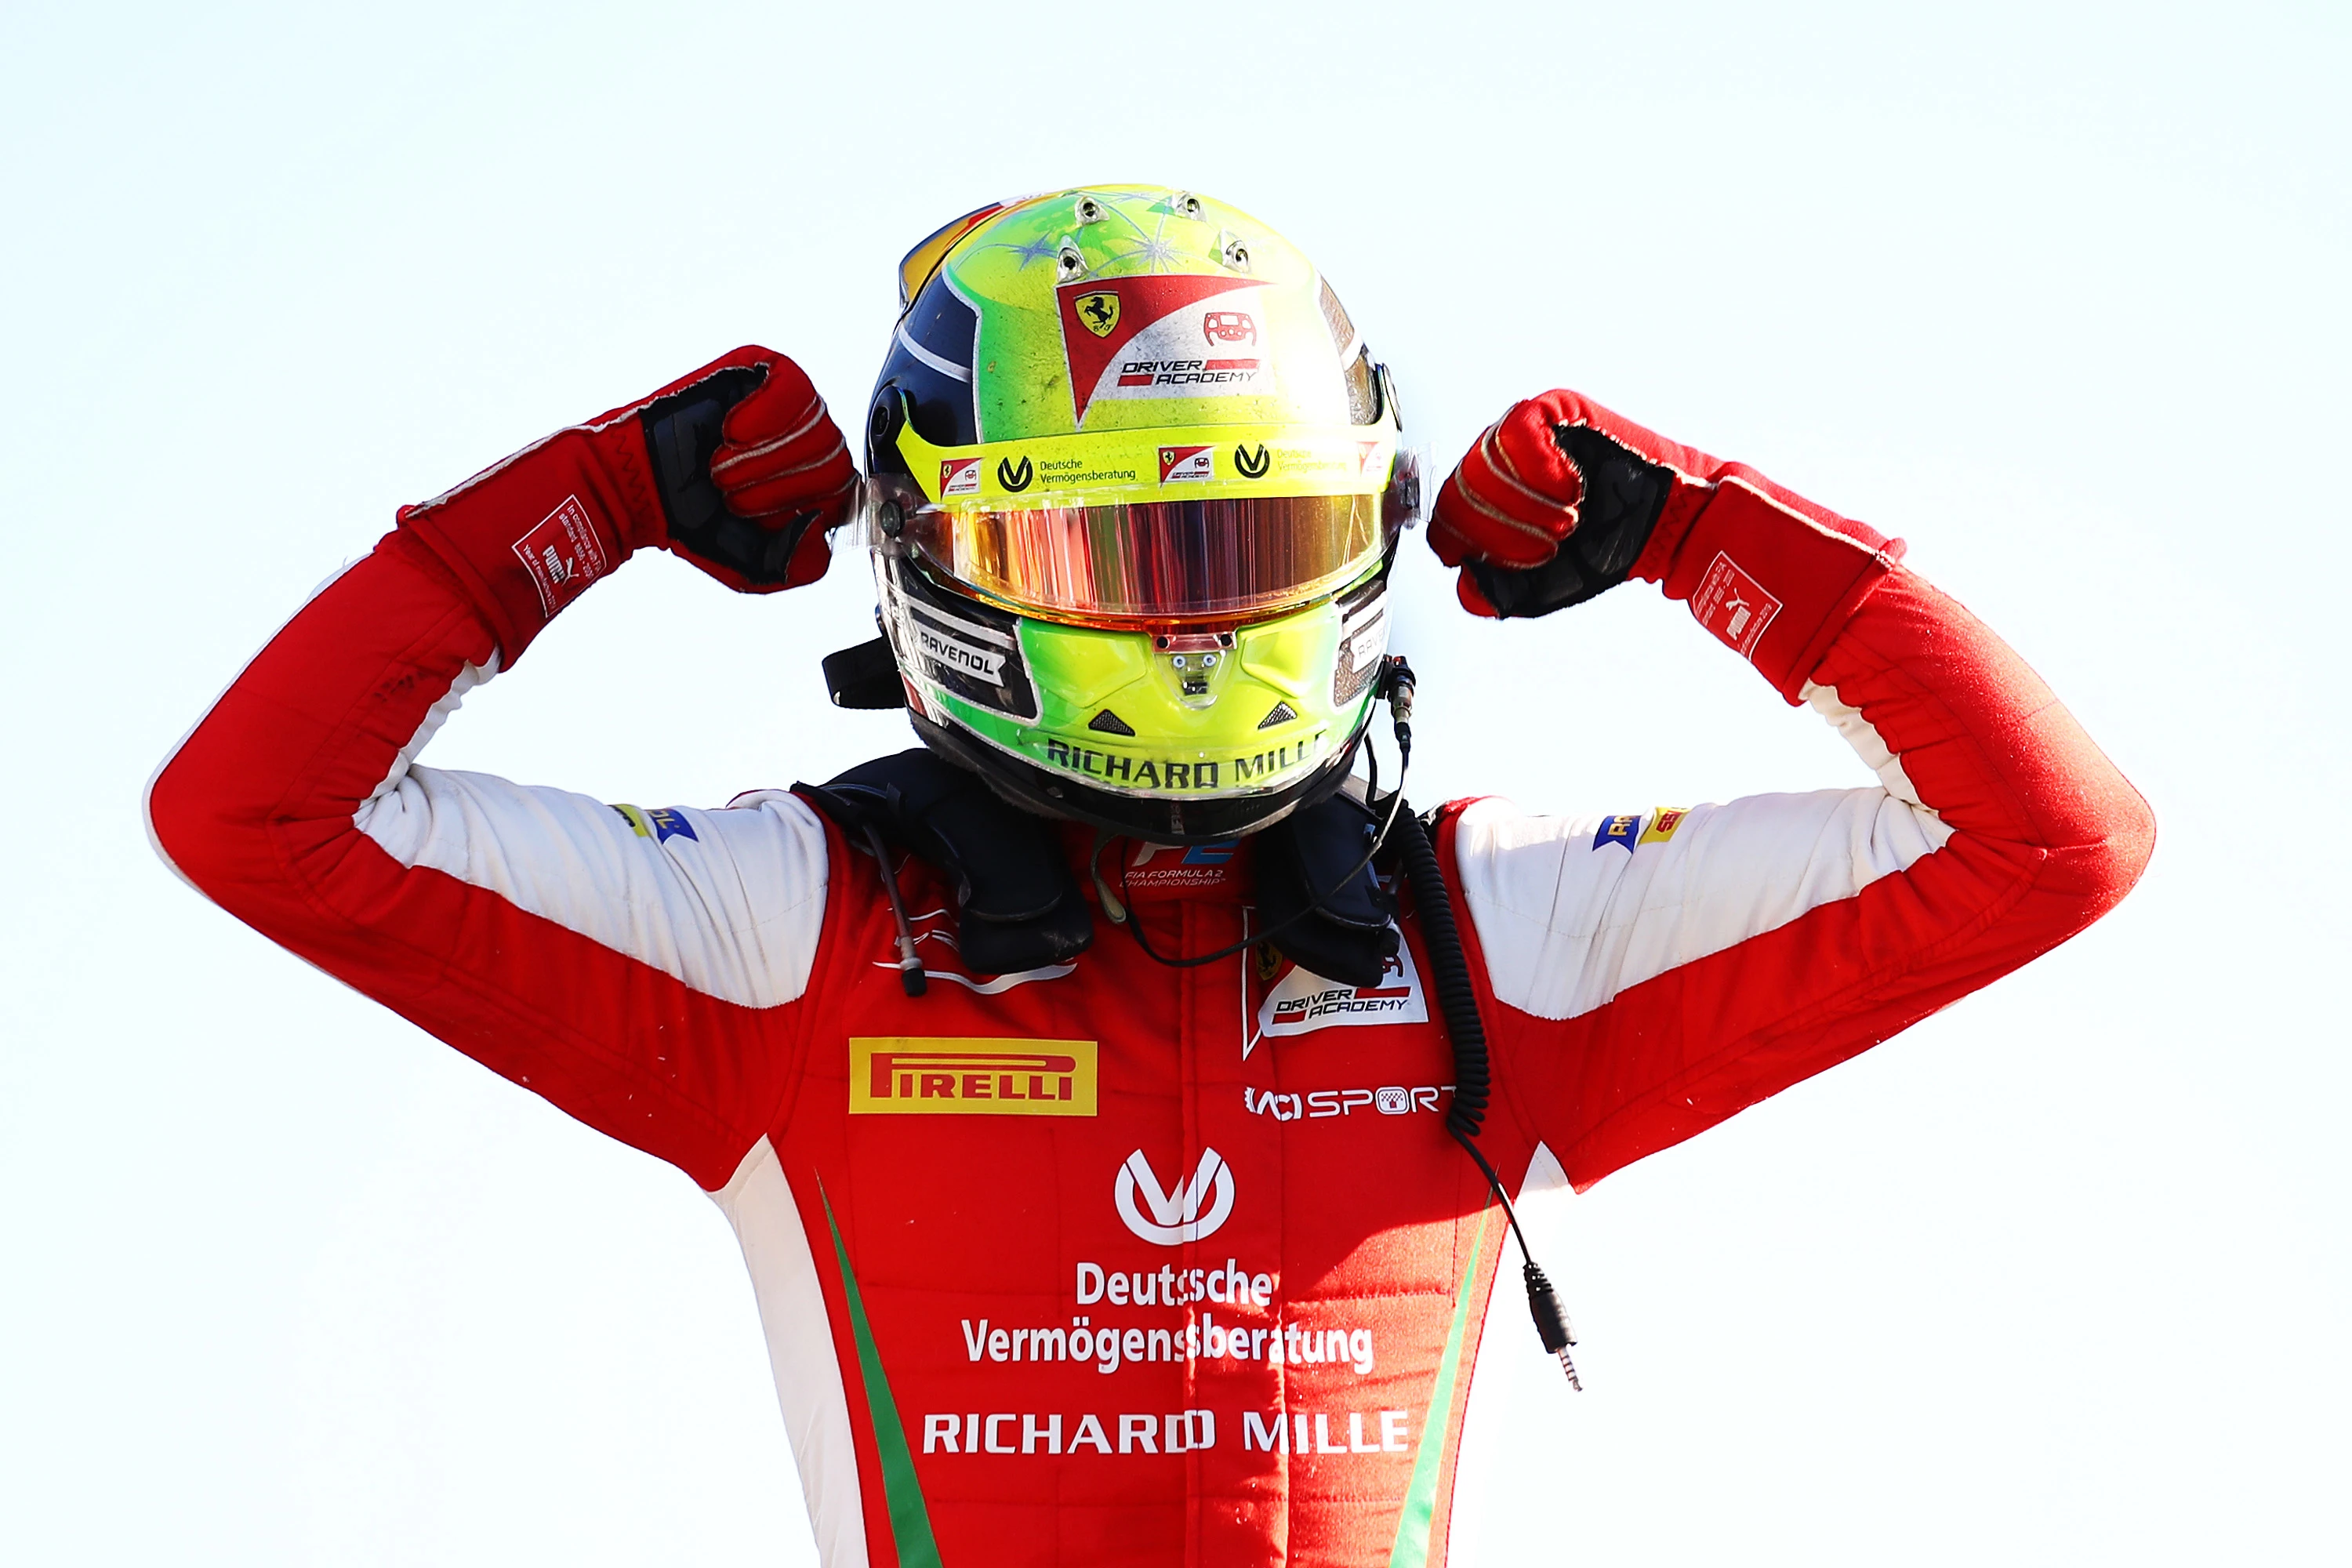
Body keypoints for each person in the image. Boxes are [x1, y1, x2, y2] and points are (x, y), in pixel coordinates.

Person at [145, 187, 2152, 1568]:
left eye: (1251, 552)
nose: (1192, 640)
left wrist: (1708, 533)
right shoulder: (786, 925)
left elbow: (2052, 843)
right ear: (944, 567)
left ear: (1357, 539)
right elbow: (257, 816)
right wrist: (572, 511)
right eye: (1118, 563)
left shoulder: (1497, 935)